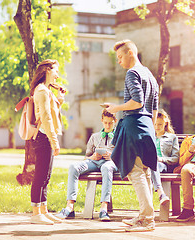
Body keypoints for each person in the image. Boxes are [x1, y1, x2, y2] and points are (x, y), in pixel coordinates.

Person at [105, 39, 159, 232]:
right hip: (147, 128)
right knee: (143, 172)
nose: (119, 61)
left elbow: (137, 102)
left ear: (130, 53)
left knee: (135, 173)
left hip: (134, 126)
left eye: (120, 57)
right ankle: (144, 215)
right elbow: (154, 109)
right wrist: (149, 131)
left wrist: (116, 108)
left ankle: (147, 219)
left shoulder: (132, 72)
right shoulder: (151, 76)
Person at [55, 109, 118, 221]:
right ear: (101, 121)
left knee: (106, 167)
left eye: (110, 123)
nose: (107, 126)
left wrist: (113, 156)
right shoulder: (95, 136)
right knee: (73, 167)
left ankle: (103, 209)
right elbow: (86, 157)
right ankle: (70, 207)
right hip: (94, 162)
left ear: (115, 121)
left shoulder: (119, 136)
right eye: (105, 122)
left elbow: (124, 156)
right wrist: (92, 157)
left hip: (110, 163)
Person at [30, 59, 66, 225]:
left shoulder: (47, 90)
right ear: (47, 71)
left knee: (46, 177)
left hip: (46, 137)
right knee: (40, 176)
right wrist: (54, 141)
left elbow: (53, 110)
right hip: (43, 138)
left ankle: (44, 210)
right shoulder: (42, 91)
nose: (58, 75)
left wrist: (60, 98)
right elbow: (46, 117)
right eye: (55, 71)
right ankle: (36, 213)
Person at [151, 109, 179, 205]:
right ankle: (159, 196)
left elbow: (175, 159)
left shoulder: (172, 137)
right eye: (155, 124)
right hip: (148, 165)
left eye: (160, 124)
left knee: (154, 164)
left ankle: (160, 192)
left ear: (165, 124)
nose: (157, 127)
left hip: (163, 166)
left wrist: (161, 159)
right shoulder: (149, 137)